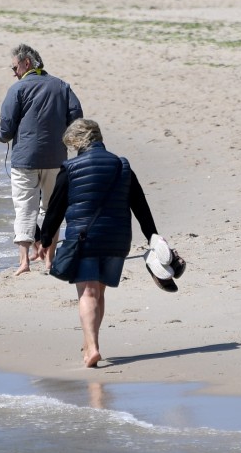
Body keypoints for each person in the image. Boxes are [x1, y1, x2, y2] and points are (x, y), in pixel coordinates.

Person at [37, 119, 159, 368]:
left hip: (84, 239)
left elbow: (55, 209)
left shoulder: (70, 168)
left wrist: (46, 239)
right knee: (99, 292)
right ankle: (90, 342)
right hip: (117, 240)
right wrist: (153, 236)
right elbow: (140, 205)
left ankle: (92, 347)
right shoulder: (121, 165)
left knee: (87, 292)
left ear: (77, 142)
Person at [0, 43, 83, 275]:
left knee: (24, 207)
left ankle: (24, 262)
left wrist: (2, 137)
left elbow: (6, 125)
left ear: (27, 63)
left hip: (25, 159)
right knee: (51, 209)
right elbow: (76, 117)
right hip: (56, 157)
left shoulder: (18, 89)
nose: (14, 73)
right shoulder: (62, 86)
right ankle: (49, 260)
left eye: (14, 68)